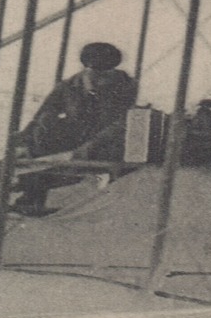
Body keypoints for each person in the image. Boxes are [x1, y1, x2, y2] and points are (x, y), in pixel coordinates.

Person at [12, 41, 137, 215]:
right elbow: (42, 115)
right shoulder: (68, 86)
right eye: (96, 73)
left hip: (106, 143)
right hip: (73, 140)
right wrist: (23, 143)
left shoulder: (125, 86)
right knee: (44, 127)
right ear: (86, 68)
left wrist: (90, 147)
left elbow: (122, 123)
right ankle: (31, 194)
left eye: (107, 74)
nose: (101, 80)